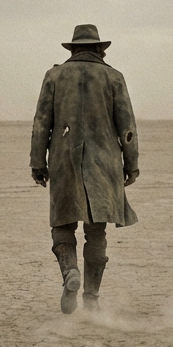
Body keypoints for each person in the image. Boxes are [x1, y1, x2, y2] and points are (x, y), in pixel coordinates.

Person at [30, 24, 139, 314]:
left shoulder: (54, 76)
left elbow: (42, 123)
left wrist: (37, 162)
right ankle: (91, 297)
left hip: (64, 161)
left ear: (73, 49)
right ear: (100, 49)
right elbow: (127, 126)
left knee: (62, 224)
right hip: (105, 164)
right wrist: (132, 164)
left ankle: (70, 274)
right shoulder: (114, 77)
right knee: (96, 231)